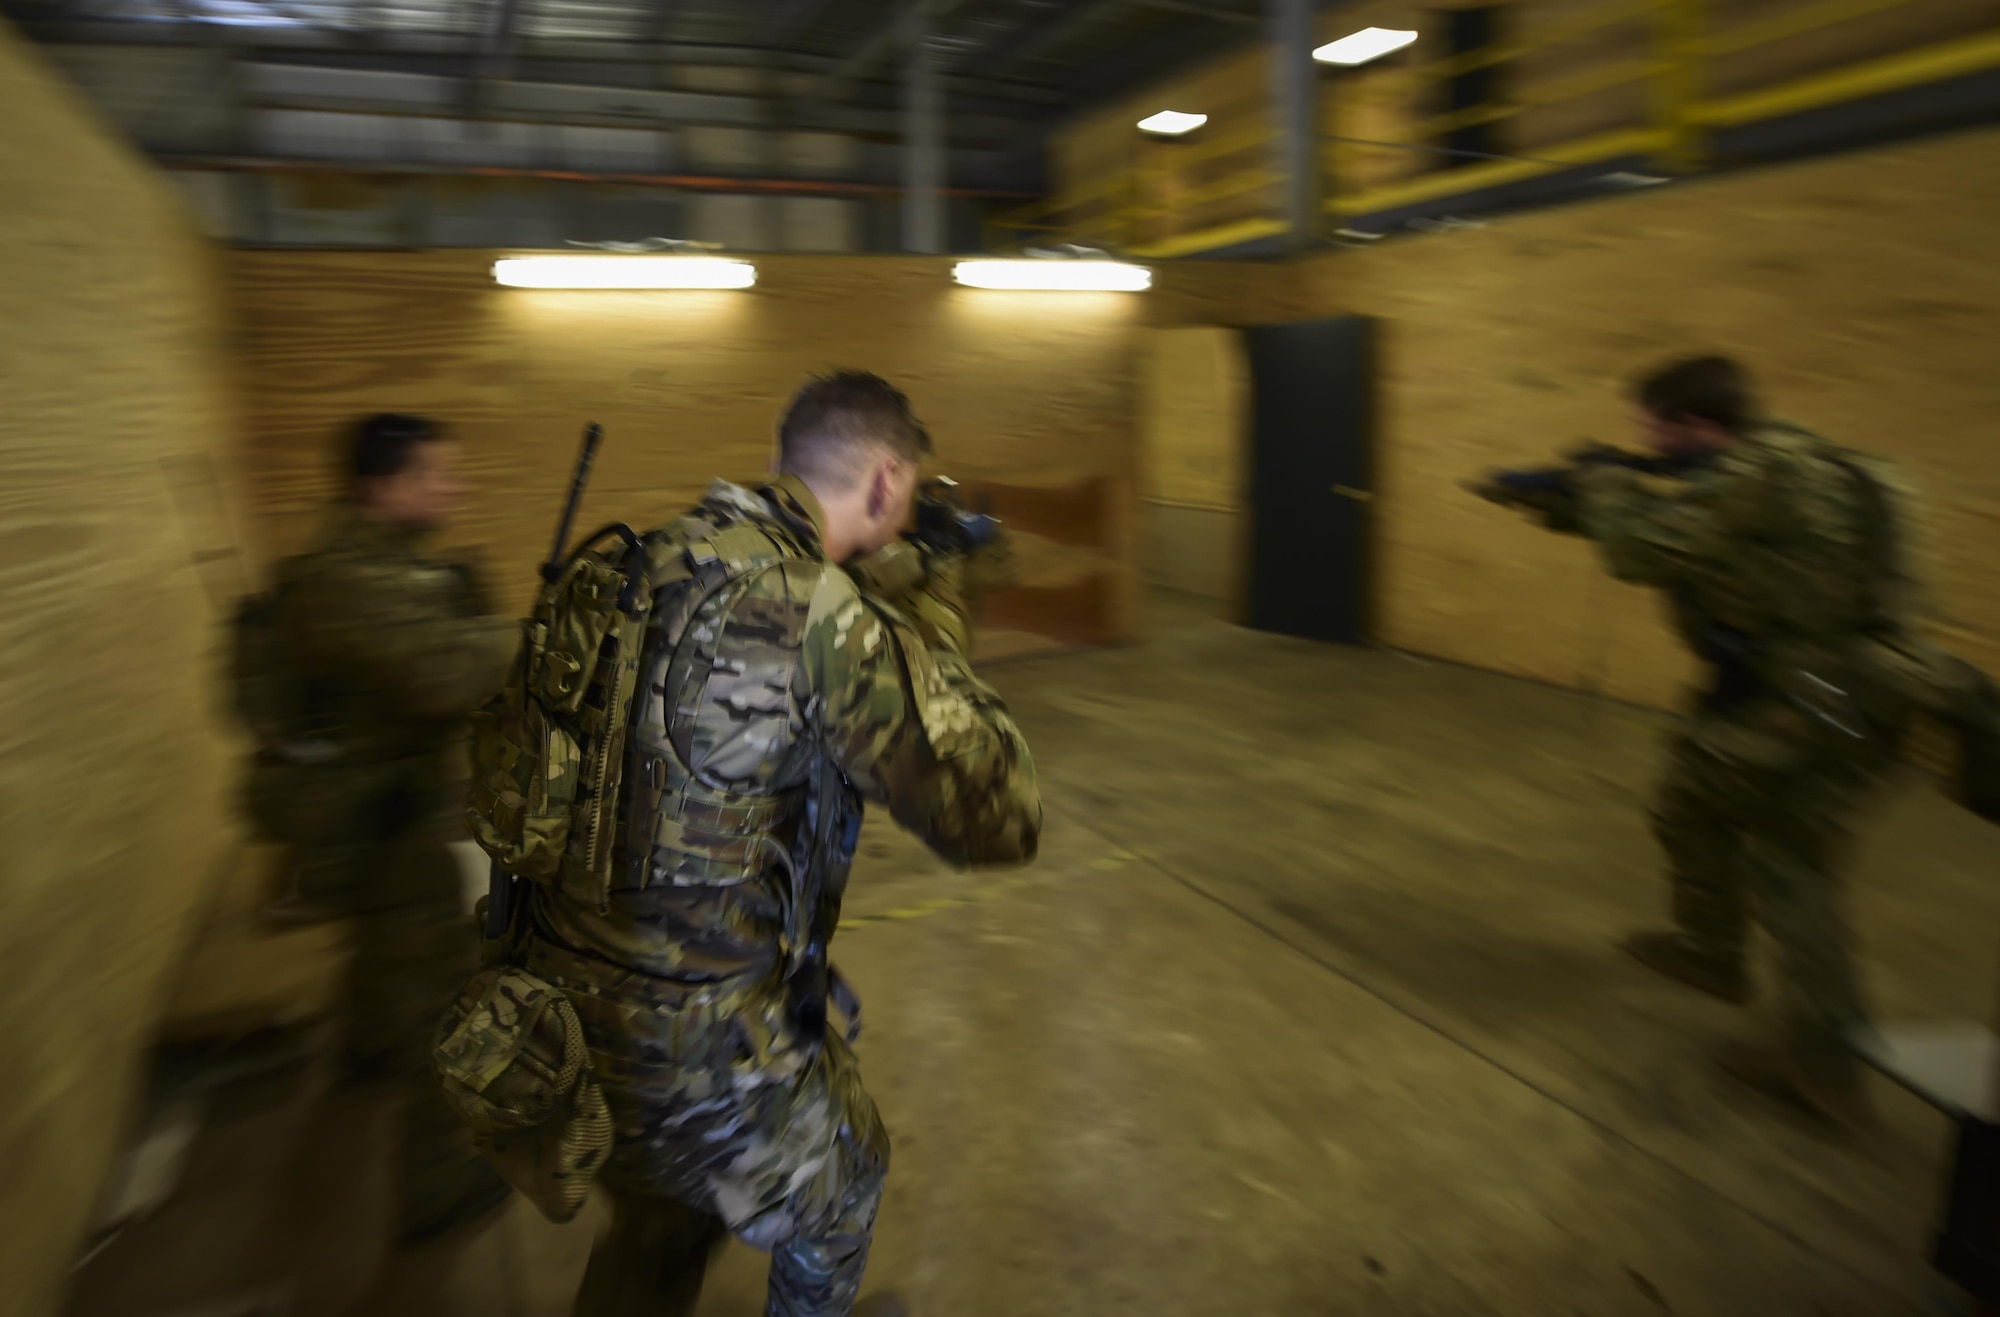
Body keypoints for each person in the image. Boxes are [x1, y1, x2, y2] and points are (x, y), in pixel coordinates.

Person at [502, 371, 1041, 1317]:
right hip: (697, 1052)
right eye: (909, 489)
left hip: (553, 1014)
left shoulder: (635, 563)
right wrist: (934, 631)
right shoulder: (820, 612)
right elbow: (997, 813)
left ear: (776, 467)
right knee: (847, 1177)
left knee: (664, 1219)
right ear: (884, 486)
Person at [1475, 355, 1927, 1130]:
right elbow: (1703, 537)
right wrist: (1555, 503)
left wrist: (1604, 484)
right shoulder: (1804, 465)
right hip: (1850, 696)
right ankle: (1711, 951)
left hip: (1812, 700)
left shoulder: (1758, 474)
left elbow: (1643, 550)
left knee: (1792, 868)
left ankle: (1825, 1069)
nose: (1642, 437)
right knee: (1690, 801)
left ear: (1695, 423)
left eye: (1650, 423)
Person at [276, 413, 518, 1238]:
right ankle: (441, 1186)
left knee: (382, 953)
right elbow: (445, 671)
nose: (455, 488)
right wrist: (543, 634)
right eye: (434, 475)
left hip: (378, 812)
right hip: (385, 821)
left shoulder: (374, 563)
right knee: (447, 995)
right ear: (380, 487)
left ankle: (366, 1052)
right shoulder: (351, 578)